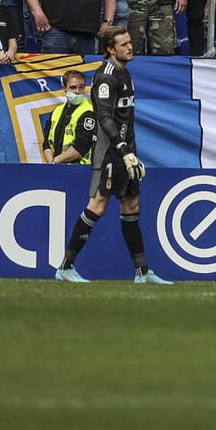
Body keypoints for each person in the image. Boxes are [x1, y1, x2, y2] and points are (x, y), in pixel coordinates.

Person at [54, 27, 170, 284]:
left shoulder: (124, 73)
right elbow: (104, 118)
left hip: (126, 150)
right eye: (124, 44)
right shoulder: (106, 77)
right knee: (98, 206)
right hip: (111, 152)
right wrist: (123, 150)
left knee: (132, 206)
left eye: (130, 42)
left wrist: (131, 150)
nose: (130, 47)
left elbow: (124, 118)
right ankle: (65, 267)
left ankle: (142, 272)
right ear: (110, 49)